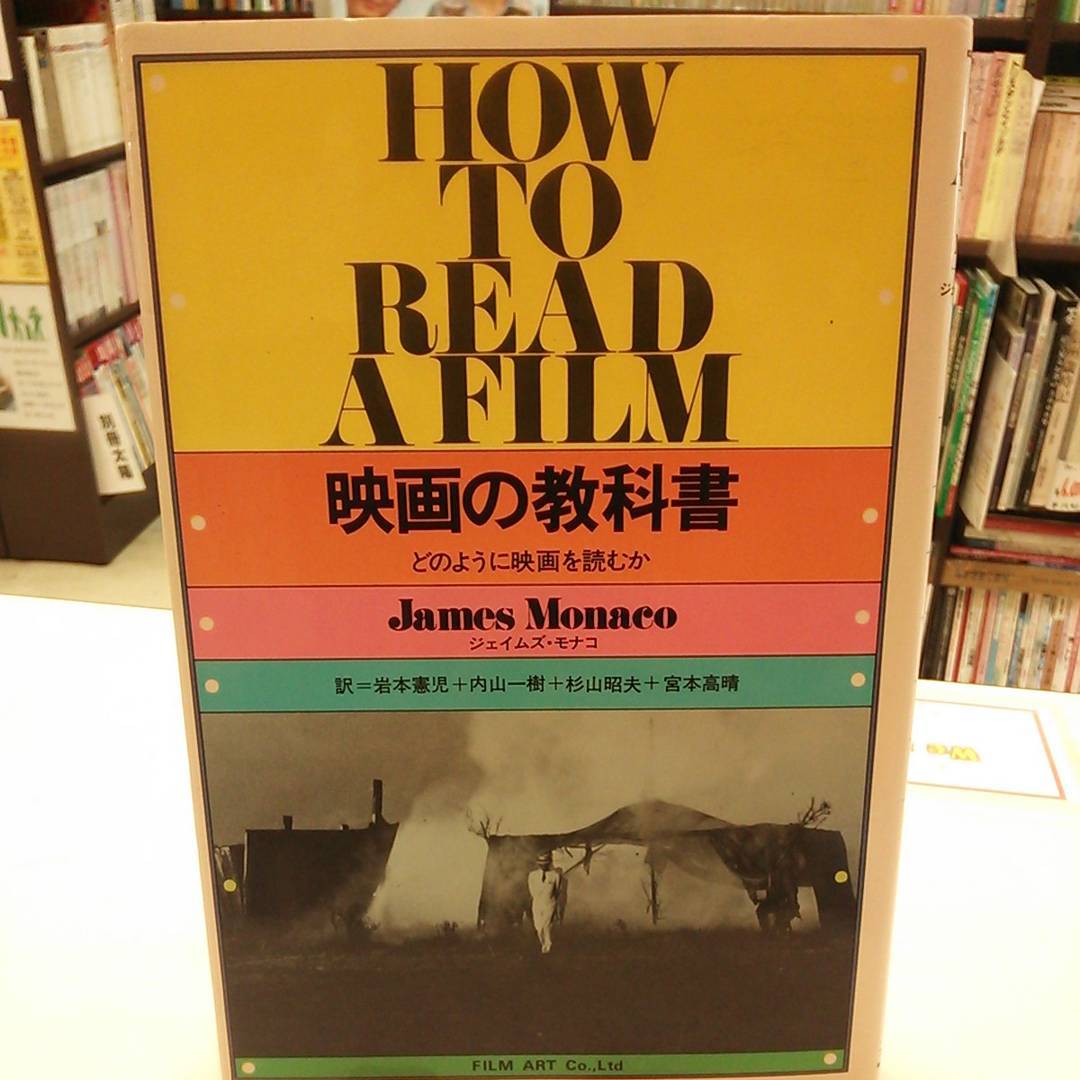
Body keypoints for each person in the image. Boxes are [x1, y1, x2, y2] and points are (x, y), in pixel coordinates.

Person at [526, 850, 563, 954]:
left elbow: (557, 891)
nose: (543, 866)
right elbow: (531, 890)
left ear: (549, 863)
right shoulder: (532, 875)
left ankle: (548, 946)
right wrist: (537, 898)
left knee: (546, 926)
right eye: (541, 863)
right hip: (537, 904)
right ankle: (543, 944)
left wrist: (553, 902)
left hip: (550, 904)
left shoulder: (555, 875)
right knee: (538, 926)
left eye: (545, 863)